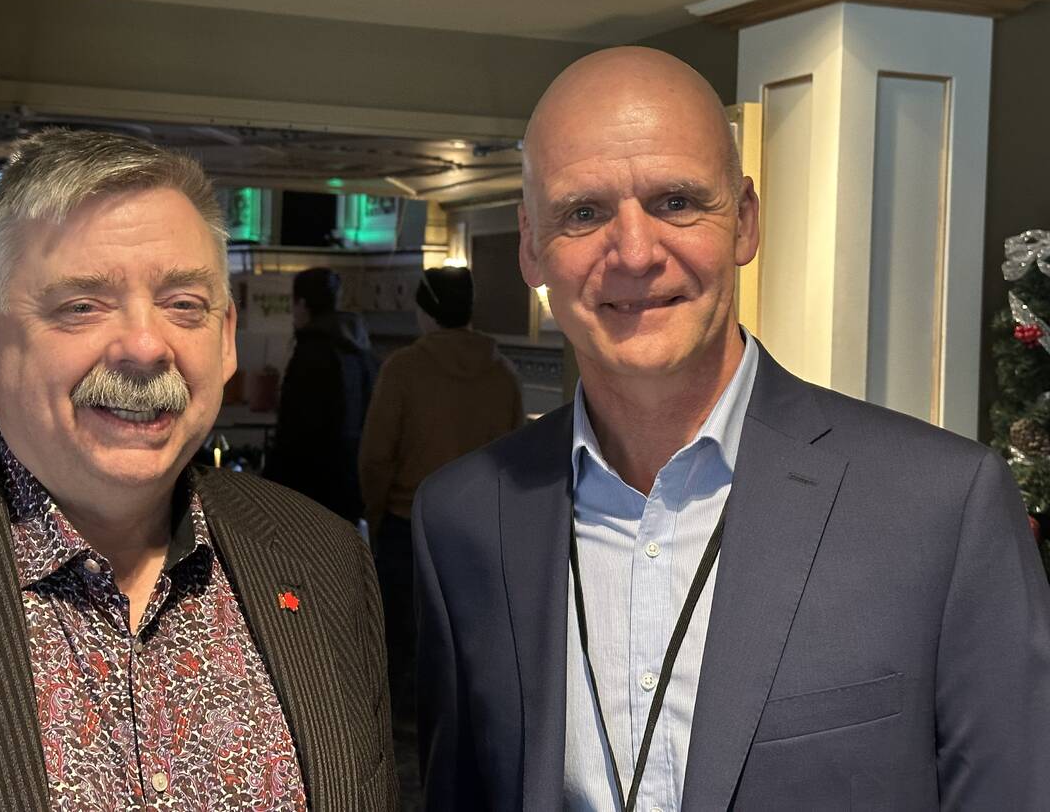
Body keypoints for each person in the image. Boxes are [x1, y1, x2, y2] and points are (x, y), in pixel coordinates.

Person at [413, 48, 1050, 810]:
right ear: (530, 247)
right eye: (583, 212)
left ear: (744, 222)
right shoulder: (462, 518)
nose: (636, 252)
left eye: (677, 202)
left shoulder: (940, 507)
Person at [0, 130, 397, 810]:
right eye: (83, 304)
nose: (145, 345)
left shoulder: (325, 559)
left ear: (224, 341)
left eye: (184, 306)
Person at [358, 265, 524, 730]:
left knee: (404, 641)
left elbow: (376, 456)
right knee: (466, 639)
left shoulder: (404, 369)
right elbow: (517, 460)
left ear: (426, 310)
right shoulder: (503, 373)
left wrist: (373, 513)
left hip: (408, 525)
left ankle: (406, 732)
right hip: (482, 534)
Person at [264, 267, 377, 525]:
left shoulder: (310, 353)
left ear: (302, 303)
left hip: (311, 490)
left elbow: (295, 430)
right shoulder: (361, 352)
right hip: (350, 485)